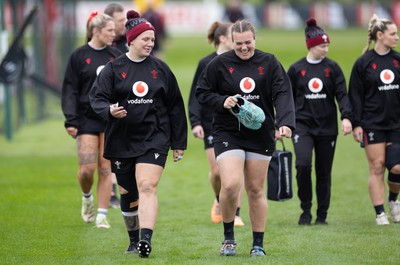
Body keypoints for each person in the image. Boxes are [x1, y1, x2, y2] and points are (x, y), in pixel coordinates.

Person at [89, 10, 187, 257]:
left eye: (152, 40)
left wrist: (179, 142)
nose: (150, 43)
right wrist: (110, 110)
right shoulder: (113, 69)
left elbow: (175, 105)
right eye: (145, 39)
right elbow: (97, 98)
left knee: (147, 185)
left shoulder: (161, 69)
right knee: (127, 192)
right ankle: (133, 240)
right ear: (131, 40)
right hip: (121, 139)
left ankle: (146, 239)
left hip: (154, 138)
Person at [196, 19, 295, 257]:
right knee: (230, 185)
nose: (243, 48)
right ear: (231, 41)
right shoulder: (219, 63)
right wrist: (222, 101)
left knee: (255, 190)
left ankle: (258, 243)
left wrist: (285, 123)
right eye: (238, 43)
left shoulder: (269, 62)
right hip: (227, 132)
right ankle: (228, 238)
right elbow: (202, 92)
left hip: (261, 134)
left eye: (248, 43)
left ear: (254, 40)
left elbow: (282, 92)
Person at [287, 18, 353, 226]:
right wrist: (282, 123)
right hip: (303, 126)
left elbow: (342, 95)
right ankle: (305, 210)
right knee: (303, 165)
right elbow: (285, 98)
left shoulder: (332, 68)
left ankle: (322, 215)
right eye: (323, 45)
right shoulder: (296, 69)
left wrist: (346, 117)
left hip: (327, 128)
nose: (326, 49)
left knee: (324, 172)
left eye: (327, 45)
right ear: (311, 45)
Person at [61, 12, 122, 228]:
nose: (114, 34)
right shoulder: (79, 56)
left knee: (106, 168)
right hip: (86, 120)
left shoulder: (116, 56)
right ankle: (87, 198)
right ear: (96, 31)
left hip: (109, 118)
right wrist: (71, 120)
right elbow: (69, 89)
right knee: (87, 170)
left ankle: (102, 216)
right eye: (110, 30)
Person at [188, 21, 245, 227]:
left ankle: (236, 212)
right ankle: (219, 199)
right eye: (234, 37)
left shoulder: (240, 61)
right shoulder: (206, 63)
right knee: (217, 172)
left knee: (236, 173)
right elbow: (196, 94)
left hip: (237, 123)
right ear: (223, 38)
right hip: (210, 123)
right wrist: (195, 122)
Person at [348, 14, 400, 225]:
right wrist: (356, 124)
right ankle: (380, 213)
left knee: (396, 167)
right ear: (380, 35)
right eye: (393, 33)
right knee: (377, 167)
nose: (396, 37)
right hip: (372, 123)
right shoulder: (363, 62)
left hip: (397, 123)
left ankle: (393, 199)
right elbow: (355, 96)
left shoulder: (397, 60)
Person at [104, 2, 127, 208]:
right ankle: (110, 191)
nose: (124, 24)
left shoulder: (129, 43)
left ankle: (118, 188)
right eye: (120, 21)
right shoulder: (105, 45)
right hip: (106, 109)